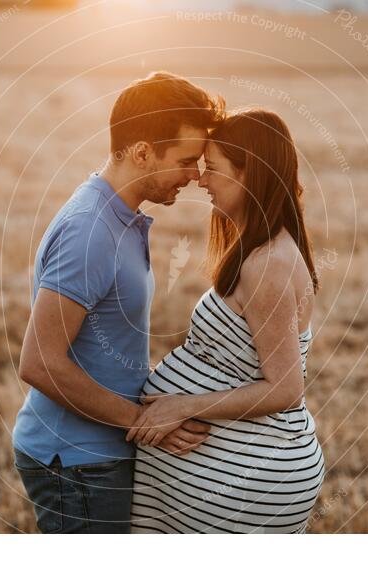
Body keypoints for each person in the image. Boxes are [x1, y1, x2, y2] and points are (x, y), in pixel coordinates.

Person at [12, 72, 225, 533]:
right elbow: (39, 363)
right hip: (78, 463)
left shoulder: (119, 217)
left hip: (96, 455)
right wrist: (144, 422)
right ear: (142, 151)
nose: (195, 176)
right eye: (187, 160)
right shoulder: (89, 231)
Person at [128, 108, 325, 533]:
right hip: (231, 474)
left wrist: (184, 405)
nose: (201, 181)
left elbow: (286, 389)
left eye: (212, 169)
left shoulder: (268, 263)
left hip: (247, 478)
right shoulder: (259, 250)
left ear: (249, 174)